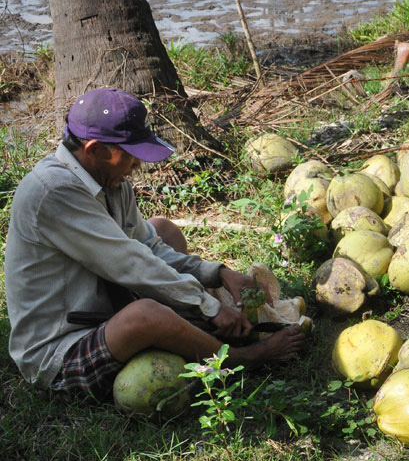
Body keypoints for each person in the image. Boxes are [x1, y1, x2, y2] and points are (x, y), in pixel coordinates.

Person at [5, 87, 304, 400]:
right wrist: (210, 306)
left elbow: (150, 247)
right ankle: (241, 360)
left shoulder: (111, 180)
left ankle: (199, 333)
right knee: (146, 313)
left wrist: (218, 273)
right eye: (131, 154)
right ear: (94, 149)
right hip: (61, 351)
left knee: (165, 230)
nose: (137, 165)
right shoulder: (55, 192)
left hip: (103, 307)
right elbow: (130, 263)